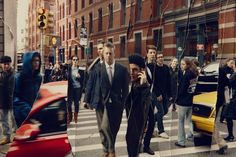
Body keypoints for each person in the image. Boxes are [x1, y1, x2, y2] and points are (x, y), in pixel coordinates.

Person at [87, 42, 129, 157]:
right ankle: (106, 150)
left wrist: (123, 103)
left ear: (114, 53)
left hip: (115, 104)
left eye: (110, 53)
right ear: (103, 54)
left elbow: (125, 90)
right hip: (100, 102)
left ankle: (110, 149)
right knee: (102, 128)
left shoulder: (122, 69)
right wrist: (87, 100)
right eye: (106, 53)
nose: (108, 56)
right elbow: (91, 83)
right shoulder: (97, 68)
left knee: (109, 127)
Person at [126, 54, 151, 157]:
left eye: (135, 70)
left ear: (142, 71)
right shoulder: (135, 83)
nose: (131, 73)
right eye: (130, 69)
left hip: (136, 129)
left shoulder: (143, 87)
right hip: (131, 126)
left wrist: (143, 87)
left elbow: (145, 110)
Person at [13, 52, 42, 127]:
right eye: (34, 61)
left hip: (35, 114)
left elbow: (37, 94)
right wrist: (28, 110)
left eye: (38, 60)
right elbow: (15, 98)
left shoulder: (38, 77)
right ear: (28, 62)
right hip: (22, 115)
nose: (36, 63)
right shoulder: (19, 77)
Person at [175, 58, 198, 147]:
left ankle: (181, 141)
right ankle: (193, 136)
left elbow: (181, 90)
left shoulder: (186, 75)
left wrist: (176, 99)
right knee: (190, 121)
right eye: (181, 64)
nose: (181, 66)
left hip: (183, 102)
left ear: (188, 65)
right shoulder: (193, 75)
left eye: (183, 64)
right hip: (191, 101)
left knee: (181, 122)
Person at [142, 45, 157, 155]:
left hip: (151, 99)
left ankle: (146, 145)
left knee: (151, 122)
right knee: (141, 123)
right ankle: (137, 144)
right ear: (147, 54)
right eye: (151, 52)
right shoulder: (143, 66)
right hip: (141, 100)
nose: (153, 54)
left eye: (154, 53)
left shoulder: (156, 66)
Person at [154, 52, 172, 139]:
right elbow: (154, 83)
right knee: (160, 111)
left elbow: (169, 82)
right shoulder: (154, 68)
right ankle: (161, 131)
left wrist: (170, 94)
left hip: (165, 93)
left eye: (162, 57)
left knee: (165, 111)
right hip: (157, 94)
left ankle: (151, 120)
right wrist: (158, 94)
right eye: (159, 57)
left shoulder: (166, 68)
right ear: (156, 59)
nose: (161, 58)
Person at [83, 41, 104, 109]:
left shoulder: (110, 64)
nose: (99, 51)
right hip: (98, 101)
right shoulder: (95, 66)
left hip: (108, 102)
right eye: (98, 49)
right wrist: (86, 100)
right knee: (100, 120)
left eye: (101, 48)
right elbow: (90, 83)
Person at [0, 56, 16, 145]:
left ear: (11, 64)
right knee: (3, 120)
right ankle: (6, 137)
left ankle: (16, 137)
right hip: (3, 101)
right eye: (4, 64)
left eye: (7, 64)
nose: (6, 66)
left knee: (14, 120)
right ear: (1, 64)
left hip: (13, 101)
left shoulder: (14, 74)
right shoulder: (1, 74)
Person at [67, 56, 84, 124]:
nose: (75, 61)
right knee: (69, 104)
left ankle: (76, 116)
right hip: (70, 88)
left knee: (76, 103)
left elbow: (83, 80)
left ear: (78, 61)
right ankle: (70, 116)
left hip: (78, 88)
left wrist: (79, 77)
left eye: (76, 60)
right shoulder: (69, 69)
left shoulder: (80, 69)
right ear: (72, 61)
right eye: (74, 59)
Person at [217, 59, 234, 123]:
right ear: (227, 62)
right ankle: (222, 117)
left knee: (226, 104)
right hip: (225, 89)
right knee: (225, 103)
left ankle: (222, 117)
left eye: (233, 63)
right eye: (231, 63)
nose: (232, 64)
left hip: (229, 89)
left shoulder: (232, 70)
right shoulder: (224, 69)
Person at [223, 65, 236, 142]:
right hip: (232, 97)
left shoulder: (234, 75)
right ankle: (230, 135)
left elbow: (228, 83)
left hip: (233, 98)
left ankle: (231, 135)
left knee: (228, 116)